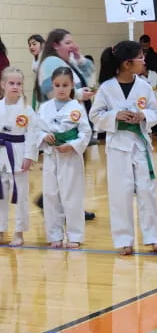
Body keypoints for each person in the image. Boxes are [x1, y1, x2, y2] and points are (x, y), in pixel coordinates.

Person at [90, 40, 157, 256]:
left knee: (147, 191)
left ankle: (153, 238)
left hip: (140, 145)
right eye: (140, 58)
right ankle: (124, 240)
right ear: (126, 64)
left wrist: (143, 116)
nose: (144, 61)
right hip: (117, 146)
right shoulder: (106, 88)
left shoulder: (144, 86)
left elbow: (156, 113)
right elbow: (94, 116)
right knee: (120, 193)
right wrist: (115, 115)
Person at [36, 28, 96, 220]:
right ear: (56, 45)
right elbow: (49, 89)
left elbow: (90, 75)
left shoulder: (66, 62)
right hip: (61, 124)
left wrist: (79, 58)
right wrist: (78, 94)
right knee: (67, 168)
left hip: (75, 119)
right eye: (68, 42)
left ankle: (67, 206)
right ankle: (60, 206)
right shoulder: (52, 62)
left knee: (77, 165)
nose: (73, 45)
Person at [36, 67, 91, 248]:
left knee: (72, 195)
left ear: (72, 86)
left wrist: (73, 145)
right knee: (51, 195)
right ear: (52, 85)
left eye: (65, 85)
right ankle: (55, 235)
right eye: (57, 85)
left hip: (70, 156)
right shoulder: (44, 108)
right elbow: (35, 129)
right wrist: (43, 137)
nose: (61, 89)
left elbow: (85, 132)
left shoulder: (77, 107)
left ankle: (75, 236)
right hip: (51, 155)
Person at [0, 67, 38, 246]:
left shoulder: (27, 110)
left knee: (20, 195)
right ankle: (0, 229)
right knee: (1, 195)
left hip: (18, 153)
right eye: (11, 83)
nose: (15, 86)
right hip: (1, 153)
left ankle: (19, 231)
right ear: (3, 85)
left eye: (19, 84)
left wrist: (29, 155)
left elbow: (32, 134)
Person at [27, 34, 45, 110]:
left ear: (42, 45)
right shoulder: (35, 60)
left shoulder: (46, 58)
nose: (31, 47)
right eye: (30, 45)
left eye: (34, 44)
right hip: (38, 90)